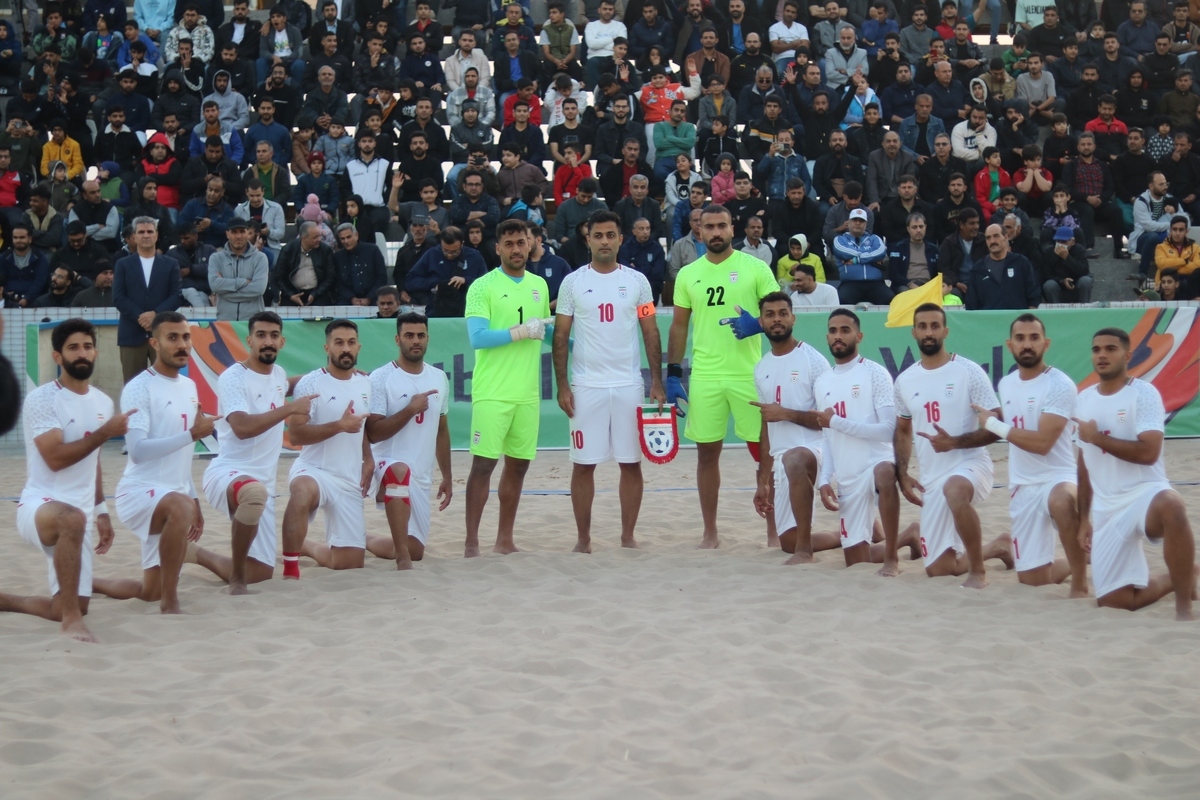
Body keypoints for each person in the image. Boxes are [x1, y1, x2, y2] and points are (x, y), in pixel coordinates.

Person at [0, 320, 131, 641]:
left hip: (80, 513)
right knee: (71, 518)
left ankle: (8, 600)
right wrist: (105, 433)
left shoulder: (103, 402)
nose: (82, 353)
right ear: (57, 356)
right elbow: (55, 458)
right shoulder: (42, 398)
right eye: (73, 347)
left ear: (96, 352)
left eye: (87, 346)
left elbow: (93, 460)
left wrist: (101, 511)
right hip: (40, 505)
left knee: (71, 604)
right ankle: (71, 623)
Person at [667, 205, 780, 549]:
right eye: (709, 227)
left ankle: (773, 532)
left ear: (733, 229)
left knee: (764, 454)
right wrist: (673, 373)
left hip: (749, 374)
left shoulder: (756, 268)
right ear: (699, 231)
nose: (715, 232)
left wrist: (756, 325)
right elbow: (679, 326)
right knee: (706, 455)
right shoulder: (688, 274)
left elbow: (781, 314)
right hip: (706, 375)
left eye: (722, 226)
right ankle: (710, 532)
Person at [552, 211, 665, 552]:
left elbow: (650, 332)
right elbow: (560, 336)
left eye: (610, 235)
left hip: (628, 385)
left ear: (620, 239)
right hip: (586, 386)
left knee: (631, 463)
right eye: (598, 235)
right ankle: (583, 539)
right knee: (583, 464)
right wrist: (563, 385)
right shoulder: (572, 282)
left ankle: (627, 536)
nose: (604, 241)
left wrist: (656, 381)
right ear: (587, 239)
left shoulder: (638, 282)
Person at [90, 312, 214, 614]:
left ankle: (88, 582)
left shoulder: (189, 386)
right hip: (139, 492)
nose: (182, 344)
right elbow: (137, 451)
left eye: (186, 337)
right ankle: (171, 603)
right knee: (179, 507)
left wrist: (194, 499)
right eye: (172, 338)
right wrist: (191, 434)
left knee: (149, 592)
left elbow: (181, 457)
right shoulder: (139, 387)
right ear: (154, 343)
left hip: (173, 496)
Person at [1075, 327, 1197, 620]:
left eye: (1110, 349)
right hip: (1107, 508)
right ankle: (1182, 575)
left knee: (1173, 505)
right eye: (1096, 349)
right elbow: (1083, 464)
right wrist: (1084, 519)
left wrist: (1097, 438)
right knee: (1115, 602)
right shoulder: (1083, 400)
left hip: (1144, 494)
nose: (1102, 355)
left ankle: (1184, 607)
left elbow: (1148, 453)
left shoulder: (1144, 393)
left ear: (1128, 356)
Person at [893, 303, 1013, 589]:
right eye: (922, 326)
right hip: (931, 479)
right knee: (939, 569)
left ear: (945, 331)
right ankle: (1000, 546)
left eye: (935, 326)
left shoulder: (968, 371)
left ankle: (978, 573)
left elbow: (998, 424)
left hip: (970, 464)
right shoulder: (905, 380)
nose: (929, 332)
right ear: (913, 332)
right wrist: (903, 474)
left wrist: (954, 443)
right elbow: (902, 429)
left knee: (955, 489)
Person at [972, 314, 1089, 596]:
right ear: (1009, 344)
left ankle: (1080, 583)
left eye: (1034, 338)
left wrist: (993, 424)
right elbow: (1017, 421)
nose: (1027, 344)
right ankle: (1086, 558)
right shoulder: (1006, 383)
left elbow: (1043, 443)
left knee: (1062, 501)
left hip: (1057, 477)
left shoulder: (1059, 384)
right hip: (1022, 484)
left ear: (1046, 344)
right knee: (1033, 580)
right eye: (1020, 338)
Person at [189, 312, 300, 592]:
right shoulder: (233, 377)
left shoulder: (278, 374)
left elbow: (287, 385)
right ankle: (236, 579)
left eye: (274, 335)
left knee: (261, 572)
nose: (268, 341)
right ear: (249, 340)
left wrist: (336, 375)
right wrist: (289, 409)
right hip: (228, 473)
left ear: (282, 341)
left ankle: (193, 553)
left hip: (264, 483)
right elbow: (241, 427)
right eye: (261, 335)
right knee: (253, 493)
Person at [462, 219, 551, 557]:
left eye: (521, 242)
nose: (516, 249)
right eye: (509, 243)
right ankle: (472, 542)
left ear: (531, 244)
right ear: (498, 247)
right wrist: (520, 332)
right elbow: (477, 338)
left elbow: (543, 331)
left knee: (518, 466)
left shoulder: (539, 285)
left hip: (527, 394)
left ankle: (504, 540)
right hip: (493, 392)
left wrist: (578, 345)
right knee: (483, 465)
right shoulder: (482, 286)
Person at [813, 308, 921, 574]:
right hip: (847, 477)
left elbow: (888, 430)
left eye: (845, 330)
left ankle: (891, 560)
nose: (838, 336)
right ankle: (909, 535)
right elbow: (827, 436)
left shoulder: (875, 373)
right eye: (833, 331)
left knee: (885, 472)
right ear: (827, 337)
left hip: (875, 464)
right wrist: (824, 479)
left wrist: (836, 422)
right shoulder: (822, 381)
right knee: (856, 560)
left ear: (859, 336)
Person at [281, 319, 388, 578]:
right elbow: (295, 435)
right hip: (314, 469)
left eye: (351, 343)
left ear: (359, 347)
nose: (345, 348)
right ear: (327, 348)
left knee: (348, 563)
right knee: (302, 492)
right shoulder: (311, 383)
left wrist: (368, 458)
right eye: (338, 343)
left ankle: (306, 546)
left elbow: (360, 426)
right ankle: (290, 568)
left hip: (348, 478)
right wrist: (338, 426)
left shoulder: (366, 383)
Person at [750, 291, 842, 564]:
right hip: (783, 459)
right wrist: (762, 481)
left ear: (793, 318)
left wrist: (786, 414)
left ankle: (806, 552)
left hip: (814, 451)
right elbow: (766, 425)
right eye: (770, 315)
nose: (776, 319)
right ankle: (852, 533)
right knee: (787, 542)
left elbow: (830, 420)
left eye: (783, 313)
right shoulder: (761, 367)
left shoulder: (813, 361)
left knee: (795, 457)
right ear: (761, 322)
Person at [363, 313, 452, 569]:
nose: (416, 341)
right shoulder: (381, 377)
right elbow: (373, 432)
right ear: (397, 339)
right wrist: (410, 410)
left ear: (428, 339)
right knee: (400, 471)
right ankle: (401, 558)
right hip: (386, 465)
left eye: (421, 335)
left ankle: (363, 539)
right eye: (409, 335)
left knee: (416, 551)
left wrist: (447, 476)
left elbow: (441, 429)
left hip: (421, 475)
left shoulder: (439, 377)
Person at [112, 217, 183, 383]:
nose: (146, 235)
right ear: (134, 236)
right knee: (133, 385)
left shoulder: (171, 264)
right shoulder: (122, 264)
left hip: (163, 335)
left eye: (150, 231)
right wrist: (141, 317)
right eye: (141, 232)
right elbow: (118, 297)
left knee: (166, 384)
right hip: (131, 335)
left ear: (156, 235)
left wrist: (156, 315)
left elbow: (176, 296)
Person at [967, 224, 1042, 309]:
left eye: (996, 236)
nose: (992, 241)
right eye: (988, 238)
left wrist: (1028, 315)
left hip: (1017, 317)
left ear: (1006, 237)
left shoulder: (1021, 263)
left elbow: (1034, 296)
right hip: (989, 317)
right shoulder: (978, 269)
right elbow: (971, 305)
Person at [208, 217, 269, 320]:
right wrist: (244, 282)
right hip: (225, 322)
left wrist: (224, 292)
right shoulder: (216, 258)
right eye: (234, 232)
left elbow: (258, 289)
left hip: (253, 322)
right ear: (227, 234)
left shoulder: (260, 258)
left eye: (242, 231)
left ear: (247, 233)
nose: (238, 236)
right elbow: (215, 286)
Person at [833, 208, 891, 305]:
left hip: (875, 283)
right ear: (848, 222)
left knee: (890, 298)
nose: (858, 223)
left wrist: (857, 260)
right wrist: (870, 257)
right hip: (850, 283)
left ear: (866, 224)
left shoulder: (875, 238)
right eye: (855, 220)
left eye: (861, 221)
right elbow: (842, 252)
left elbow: (880, 252)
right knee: (841, 299)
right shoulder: (839, 239)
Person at [1041, 226, 1092, 302]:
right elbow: (1046, 275)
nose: (1060, 244)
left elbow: (1084, 270)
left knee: (1086, 281)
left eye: (1064, 242)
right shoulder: (1049, 252)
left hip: (1076, 285)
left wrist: (1067, 258)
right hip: (1057, 286)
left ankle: (1083, 307)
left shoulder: (1079, 250)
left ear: (1072, 241)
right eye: (1058, 241)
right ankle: (1054, 309)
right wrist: (1062, 281)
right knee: (1049, 284)